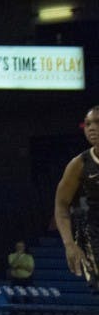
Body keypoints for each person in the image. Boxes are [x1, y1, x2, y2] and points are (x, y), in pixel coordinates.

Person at [54, 105, 99, 287]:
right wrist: (69, 244)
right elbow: (61, 205)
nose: (91, 128)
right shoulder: (79, 164)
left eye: (97, 122)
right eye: (87, 124)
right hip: (93, 236)